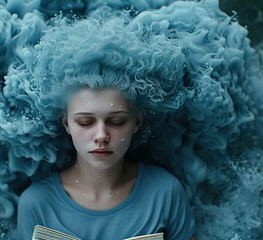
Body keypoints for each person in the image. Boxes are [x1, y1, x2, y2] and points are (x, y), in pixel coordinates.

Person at [17, 17, 196, 240]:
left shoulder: (166, 192)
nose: (101, 136)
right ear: (66, 123)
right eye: (85, 122)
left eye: (116, 121)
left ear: (138, 122)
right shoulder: (36, 203)